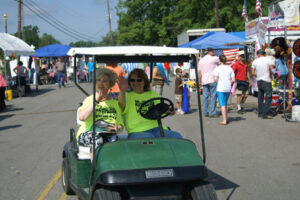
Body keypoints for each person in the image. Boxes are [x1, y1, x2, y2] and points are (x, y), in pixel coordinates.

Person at [118, 68, 182, 139]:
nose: (136, 83)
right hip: (137, 131)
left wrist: (168, 111)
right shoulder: (127, 96)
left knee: (177, 136)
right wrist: (122, 90)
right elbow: (122, 104)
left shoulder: (153, 95)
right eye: (133, 80)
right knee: (149, 138)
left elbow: (161, 108)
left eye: (139, 80)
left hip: (156, 128)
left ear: (144, 81)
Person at [77, 68, 124, 150]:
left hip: (108, 135)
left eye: (104, 81)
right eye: (98, 80)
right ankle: (95, 163)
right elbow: (82, 118)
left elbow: (120, 125)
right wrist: (97, 100)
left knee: (116, 145)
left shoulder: (115, 104)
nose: (101, 83)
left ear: (110, 84)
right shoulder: (90, 99)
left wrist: (117, 128)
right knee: (98, 140)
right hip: (88, 134)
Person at [252, 49, 273, 119]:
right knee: (268, 97)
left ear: (258, 54)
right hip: (266, 80)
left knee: (260, 97)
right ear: (263, 54)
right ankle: (265, 113)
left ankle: (260, 113)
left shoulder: (255, 61)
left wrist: (257, 75)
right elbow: (272, 69)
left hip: (259, 81)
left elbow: (252, 73)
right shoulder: (268, 60)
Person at [198, 48, 220, 117]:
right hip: (212, 79)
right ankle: (212, 112)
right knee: (213, 96)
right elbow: (223, 60)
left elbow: (199, 72)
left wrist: (199, 80)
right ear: (210, 52)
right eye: (213, 51)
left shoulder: (201, 60)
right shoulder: (214, 58)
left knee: (205, 96)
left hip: (204, 80)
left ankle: (205, 112)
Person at [214, 55, 235, 125]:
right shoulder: (229, 68)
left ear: (220, 61)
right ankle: (226, 117)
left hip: (220, 88)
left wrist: (219, 81)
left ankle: (224, 120)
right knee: (225, 104)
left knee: (222, 105)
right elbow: (233, 79)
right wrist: (229, 82)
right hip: (228, 87)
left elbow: (215, 79)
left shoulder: (217, 68)